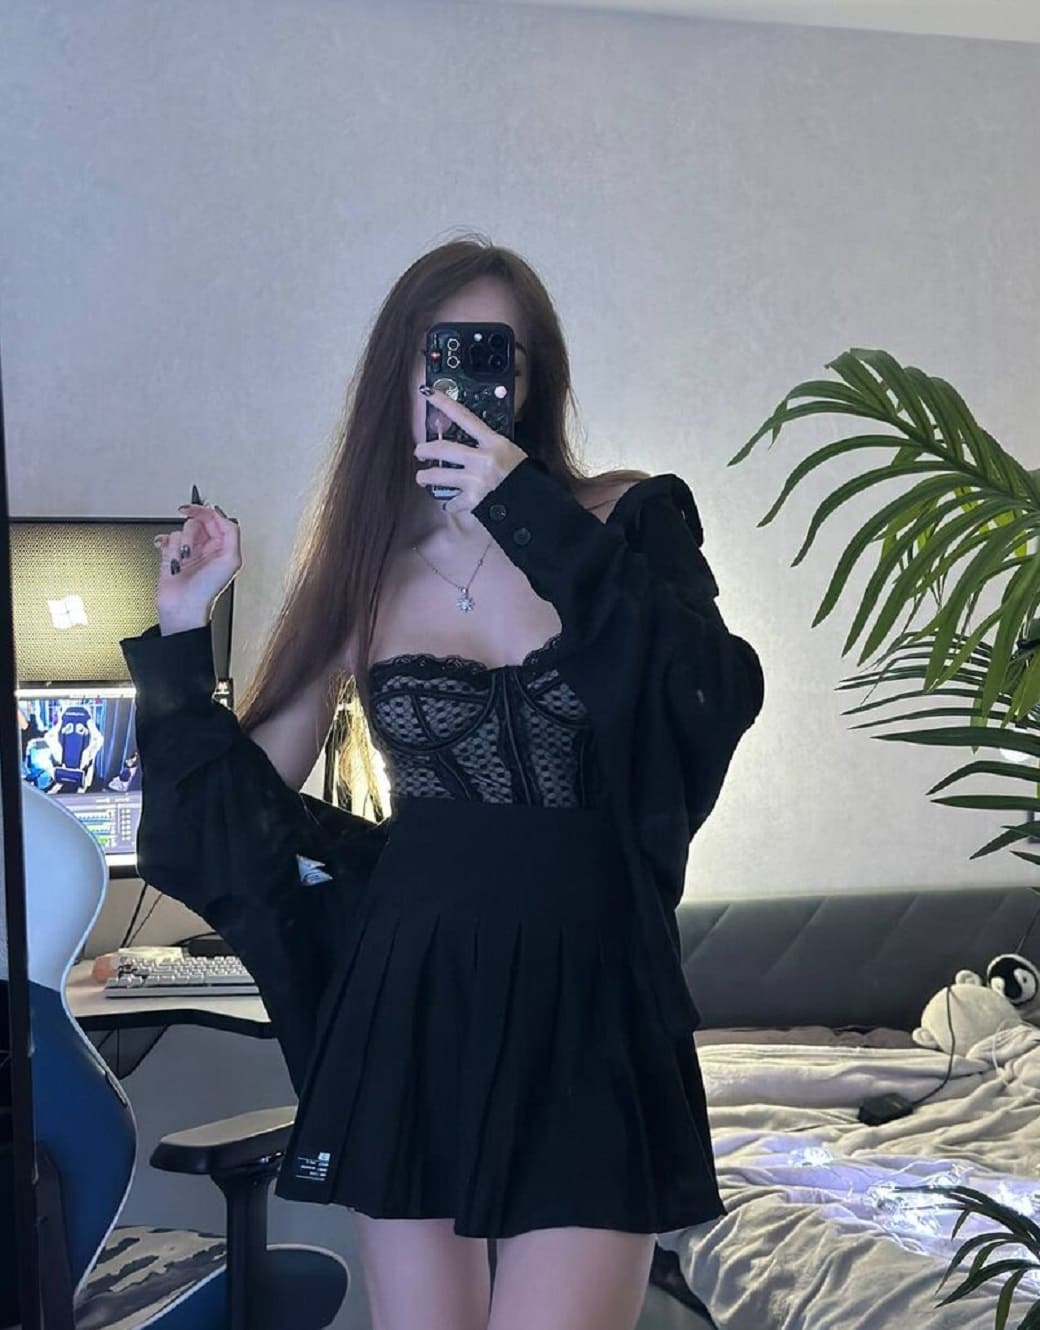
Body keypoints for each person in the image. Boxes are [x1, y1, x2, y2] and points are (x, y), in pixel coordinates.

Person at [132, 237, 764, 1330]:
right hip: (411, 996)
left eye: (495, 358)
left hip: (590, 990)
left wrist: (524, 509)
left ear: (532, 381)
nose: (466, 384)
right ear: (399, 376)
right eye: (441, 356)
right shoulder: (365, 570)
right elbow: (225, 822)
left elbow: (705, 695)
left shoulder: (621, 521)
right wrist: (184, 629)